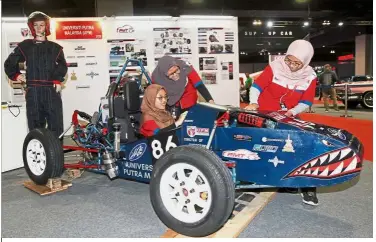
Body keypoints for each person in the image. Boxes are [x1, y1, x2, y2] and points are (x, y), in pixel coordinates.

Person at [244, 39, 319, 206]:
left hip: (289, 113)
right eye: (289, 60)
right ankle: (256, 177)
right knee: (259, 143)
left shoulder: (310, 76)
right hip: (264, 111)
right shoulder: (275, 67)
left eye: (297, 63)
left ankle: (307, 186)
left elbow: (306, 101)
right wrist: (254, 102)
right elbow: (257, 86)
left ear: (305, 62)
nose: (291, 65)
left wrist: (292, 112)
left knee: (302, 144)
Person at [4, 11, 68, 138]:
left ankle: (55, 156)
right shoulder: (25, 46)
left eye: (42, 25)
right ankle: (36, 156)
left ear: (47, 27)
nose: (39, 28)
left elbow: (62, 66)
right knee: (35, 128)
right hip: (33, 92)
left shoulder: (56, 48)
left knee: (56, 127)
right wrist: (16, 75)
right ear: (32, 27)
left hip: (51, 90)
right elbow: (9, 63)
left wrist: (56, 79)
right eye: (36, 25)